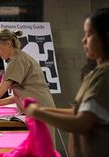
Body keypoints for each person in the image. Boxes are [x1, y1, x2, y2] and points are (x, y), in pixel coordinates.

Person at [25, 8, 109, 157]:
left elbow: (82, 123)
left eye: (89, 35)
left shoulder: (105, 73)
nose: (83, 40)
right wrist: (42, 110)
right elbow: (80, 112)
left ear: (106, 37)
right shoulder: (97, 71)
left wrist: (38, 112)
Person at [0, 28, 56, 143]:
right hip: (41, 109)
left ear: (8, 44)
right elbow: (24, 92)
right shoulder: (21, 57)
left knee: (43, 149)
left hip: (39, 112)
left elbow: (0, 91)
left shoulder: (17, 61)